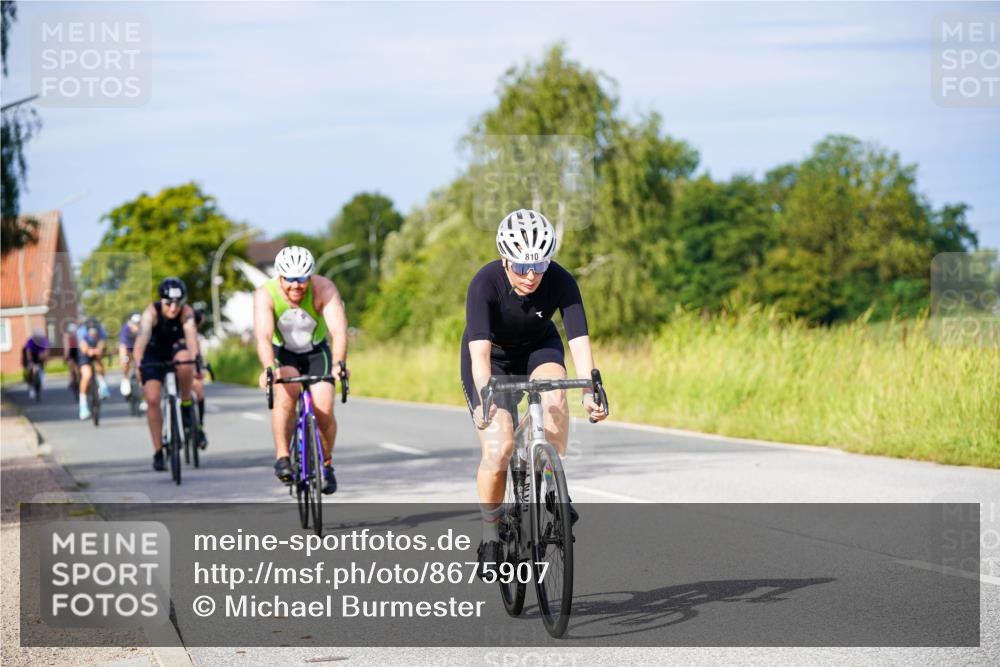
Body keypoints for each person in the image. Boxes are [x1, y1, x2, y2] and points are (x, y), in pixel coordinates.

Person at [460, 209, 607, 576]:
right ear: (505, 259)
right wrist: (485, 397)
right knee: (499, 448)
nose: (531, 276)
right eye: (523, 267)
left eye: (540, 265)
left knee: (555, 397)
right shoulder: (484, 284)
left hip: (538, 348)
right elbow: (478, 356)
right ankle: (490, 534)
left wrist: (591, 390)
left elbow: (578, 340)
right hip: (492, 359)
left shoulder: (560, 280)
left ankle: (552, 488)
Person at [253, 246, 348, 495]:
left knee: (324, 408)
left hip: (317, 353)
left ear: (310, 277)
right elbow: (263, 336)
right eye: (290, 280)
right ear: (279, 277)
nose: (296, 286)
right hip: (284, 353)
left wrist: (339, 363)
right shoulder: (266, 294)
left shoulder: (324, 289)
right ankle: (283, 457)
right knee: (285, 397)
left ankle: (326, 464)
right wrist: (268, 367)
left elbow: (338, 331)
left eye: (302, 279)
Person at [133, 277, 204, 471]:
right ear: (161, 301)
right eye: (168, 303)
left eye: (177, 303)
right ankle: (158, 451)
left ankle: (186, 403)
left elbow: (191, 338)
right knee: (153, 399)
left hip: (176, 348)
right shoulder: (151, 312)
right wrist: (138, 363)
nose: (173, 308)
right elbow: (141, 339)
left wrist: (196, 361)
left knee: (185, 360)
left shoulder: (187, 312)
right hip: (153, 351)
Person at [77, 317, 111, 419]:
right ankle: (82, 405)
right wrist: (89, 351)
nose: (93, 334)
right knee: (87, 375)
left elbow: (101, 344)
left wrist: (97, 351)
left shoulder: (101, 330)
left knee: (99, 364)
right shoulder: (81, 331)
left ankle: (102, 385)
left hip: (96, 350)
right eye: (91, 333)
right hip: (85, 353)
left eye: (95, 332)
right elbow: (83, 348)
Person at [21, 329, 51, 399]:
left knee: (41, 368)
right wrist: (30, 360)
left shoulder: (44, 341)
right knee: (31, 370)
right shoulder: (30, 341)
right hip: (33, 357)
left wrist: (46, 359)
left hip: (40, 357)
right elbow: (28, 352)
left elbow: (46, 351)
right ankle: (31, 387)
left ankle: (41, 379)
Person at [118, 312, 141, 398]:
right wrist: (125, 359)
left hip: (138, 348)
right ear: (130, 323)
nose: (137, 326)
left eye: (139, 323)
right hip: (128, 349)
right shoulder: (125, 330)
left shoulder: (143, 329)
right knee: (124, 359)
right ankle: (125, 378)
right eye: (135, 324)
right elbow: (123, 347)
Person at [63, 321, 80, 391]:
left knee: (73, 368)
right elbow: (66, 347)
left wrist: (65, 356)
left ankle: (73, 380)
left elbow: (66, 347)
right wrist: (66, 355)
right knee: (73, 368)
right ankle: (73, 379)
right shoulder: (68, 336)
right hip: (73, 352)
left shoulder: (68, 336)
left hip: (75, 352)